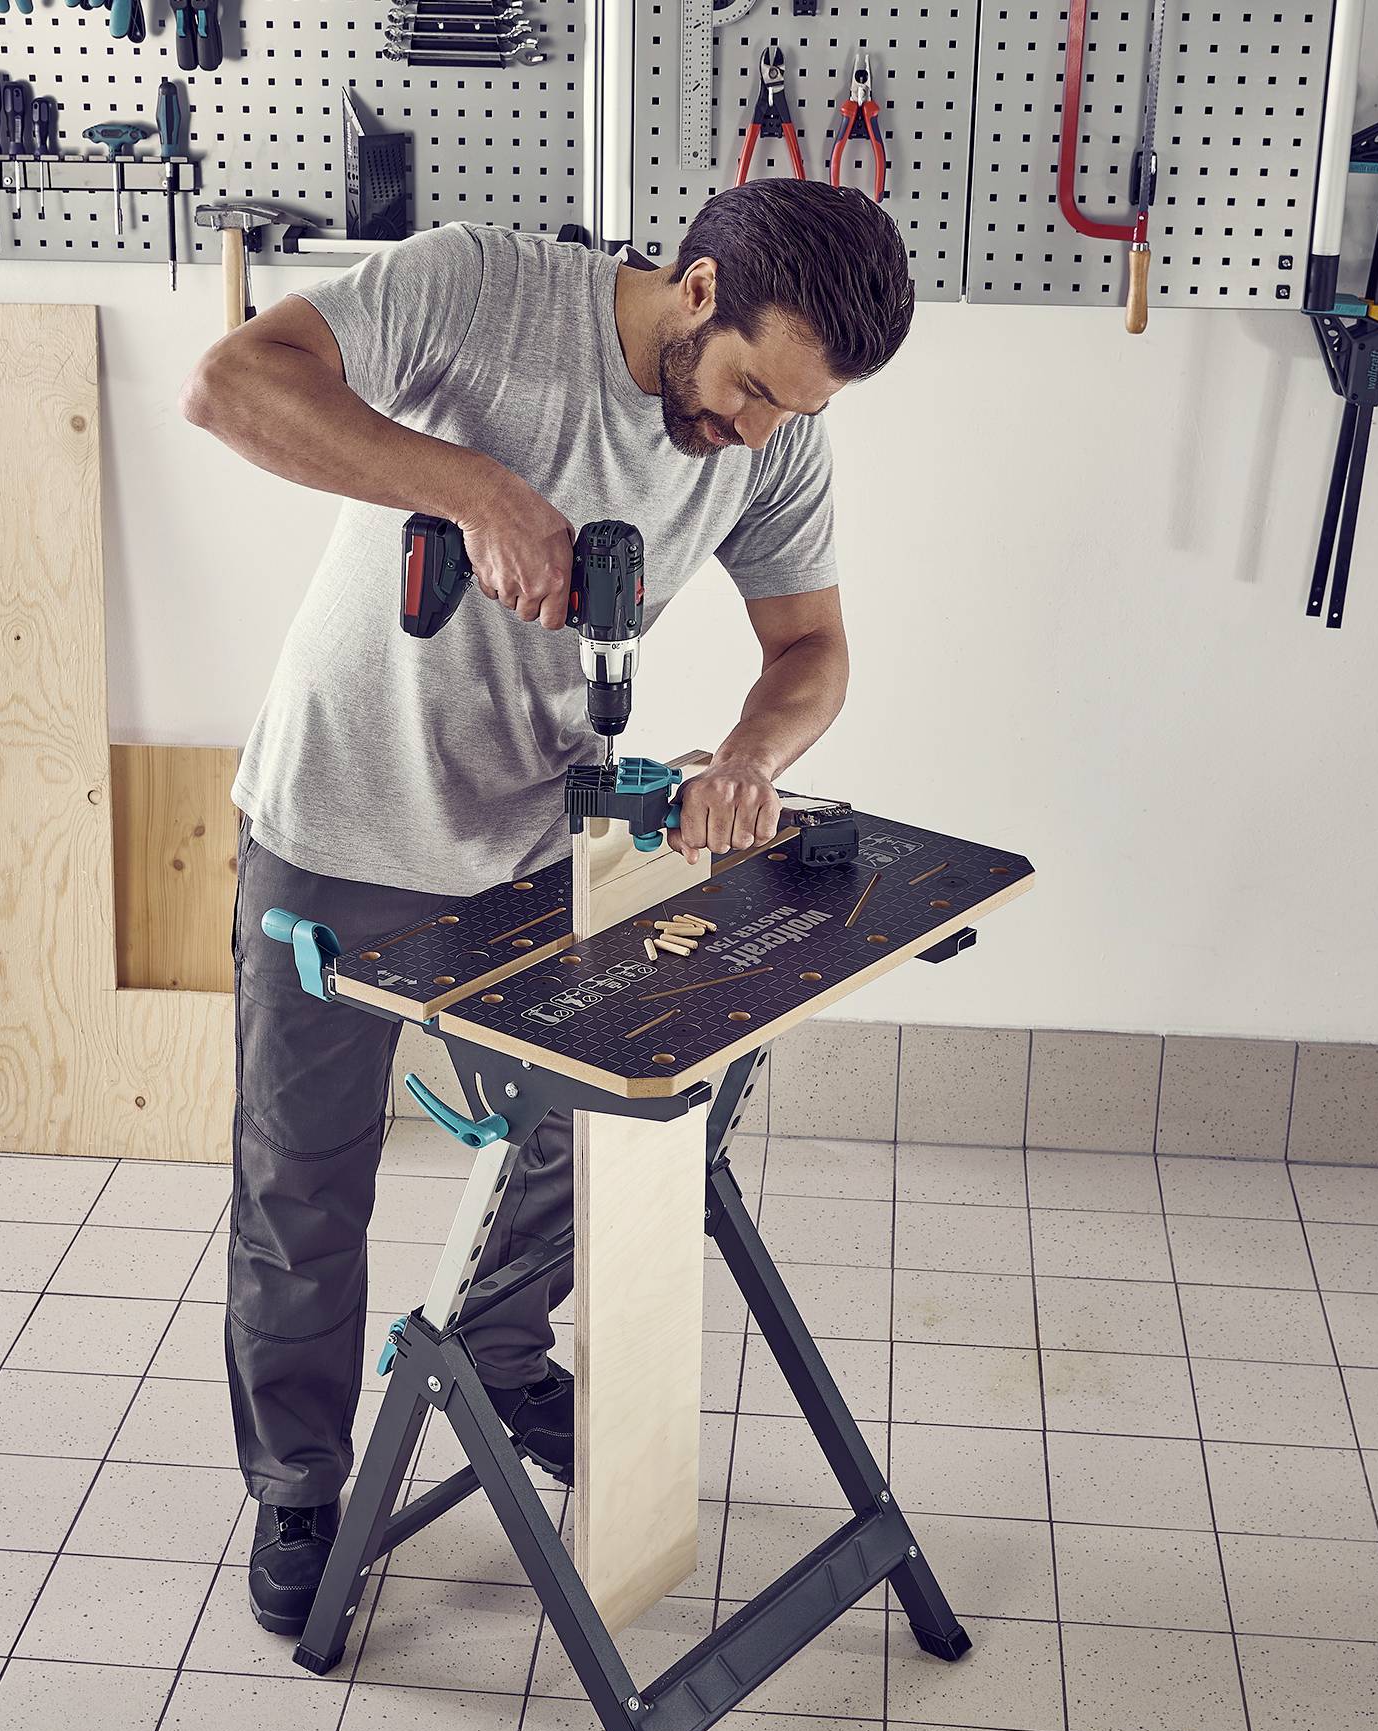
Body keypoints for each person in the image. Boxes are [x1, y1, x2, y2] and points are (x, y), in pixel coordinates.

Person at [181, 180, 916, 1633]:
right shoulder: (477, 286)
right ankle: (300, 1487)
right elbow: (228, 388)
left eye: (793, 415)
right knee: (301, 1186)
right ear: (697, 291)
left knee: (609, 1121)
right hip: (338, 812)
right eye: (751, 390)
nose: (755, 434)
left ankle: (500, 1355)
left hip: (540, 835)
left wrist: (751, 754)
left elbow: (813, 648)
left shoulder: (775, 441)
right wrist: (469, 486)